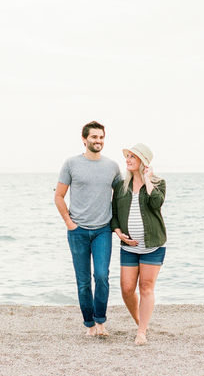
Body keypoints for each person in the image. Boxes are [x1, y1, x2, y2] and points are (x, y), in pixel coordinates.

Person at [54, 121, 121, 336]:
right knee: (83, 281)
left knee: (101, 276)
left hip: (103, 230)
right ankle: (89, 325)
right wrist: (69, 223)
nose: (98, 141)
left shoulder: (112, 166)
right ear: (84, 139)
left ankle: (101, 321)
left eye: (101, 137)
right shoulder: (71, 164)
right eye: (94, 137)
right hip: (78, 231)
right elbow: (58, 196)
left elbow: (122, 196)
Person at [111, 143, 166, 345]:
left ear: (143, 161)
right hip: (129, 247)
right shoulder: (120, 186)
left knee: (146, 287)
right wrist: (118, 233)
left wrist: (148, 180)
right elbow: (114, 214)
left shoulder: (159, 183)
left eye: (133, 156)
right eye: (128, 156)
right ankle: (140, 322)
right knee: (126, 289)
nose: (128, 159)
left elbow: (156, 203)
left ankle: (141, 332)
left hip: (153, 245)